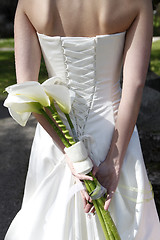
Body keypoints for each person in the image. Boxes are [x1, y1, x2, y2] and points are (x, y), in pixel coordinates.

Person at [4, 0, 160, 239]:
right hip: (115, 134)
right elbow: (135, 85)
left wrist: (70, 153)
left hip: (56, 138)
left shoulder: (29, 3)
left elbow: (27, 89)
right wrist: (114, 162)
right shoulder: (137, 2)